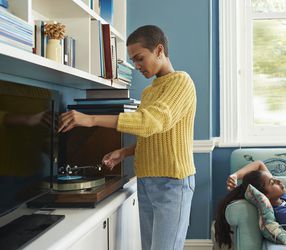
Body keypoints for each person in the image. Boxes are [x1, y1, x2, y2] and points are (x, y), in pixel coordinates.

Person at [58, 25, 197, 250]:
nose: (137, 66)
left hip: (172, 184)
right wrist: (124, 152)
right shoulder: (149, 92)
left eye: (140, 58)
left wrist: (91, 119)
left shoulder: (181, 82)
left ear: (159, 50)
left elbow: (150, 122)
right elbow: (151, 135)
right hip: (146, 182)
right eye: (133, 61)